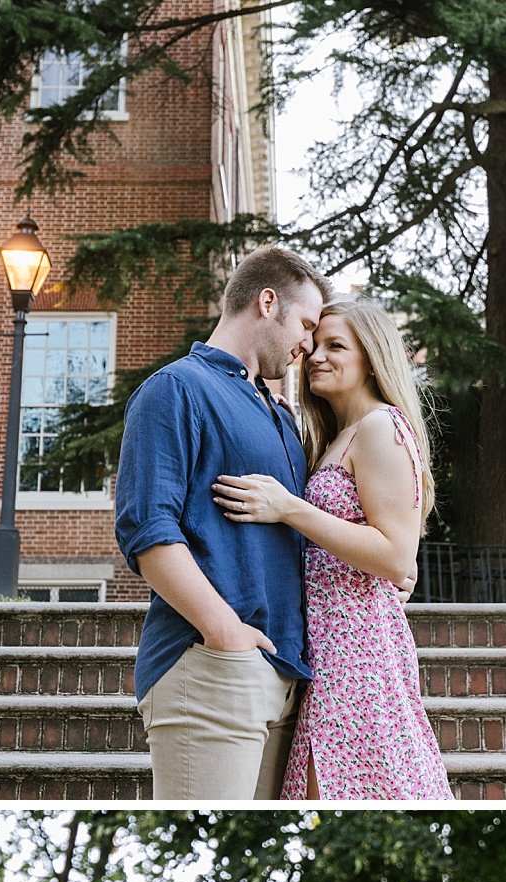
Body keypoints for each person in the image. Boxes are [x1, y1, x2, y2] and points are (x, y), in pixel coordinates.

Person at [212, 297, 452, 801]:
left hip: (357, 653)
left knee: (352, 791)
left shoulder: (382, 426)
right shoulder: (335, 438)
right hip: (322, 649)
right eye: (314, 344)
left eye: (336, 346)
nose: (316, 355)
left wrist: (288, 508)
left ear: (372, 358)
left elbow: (394, 555)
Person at [115, 246, 331, 801]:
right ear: (267, 302)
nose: (307, 344)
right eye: (305, 324)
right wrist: (225, 634)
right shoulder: (176, 389)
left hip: (285, 676)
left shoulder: (281, 416)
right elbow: (147, 529)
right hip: (211, 667)